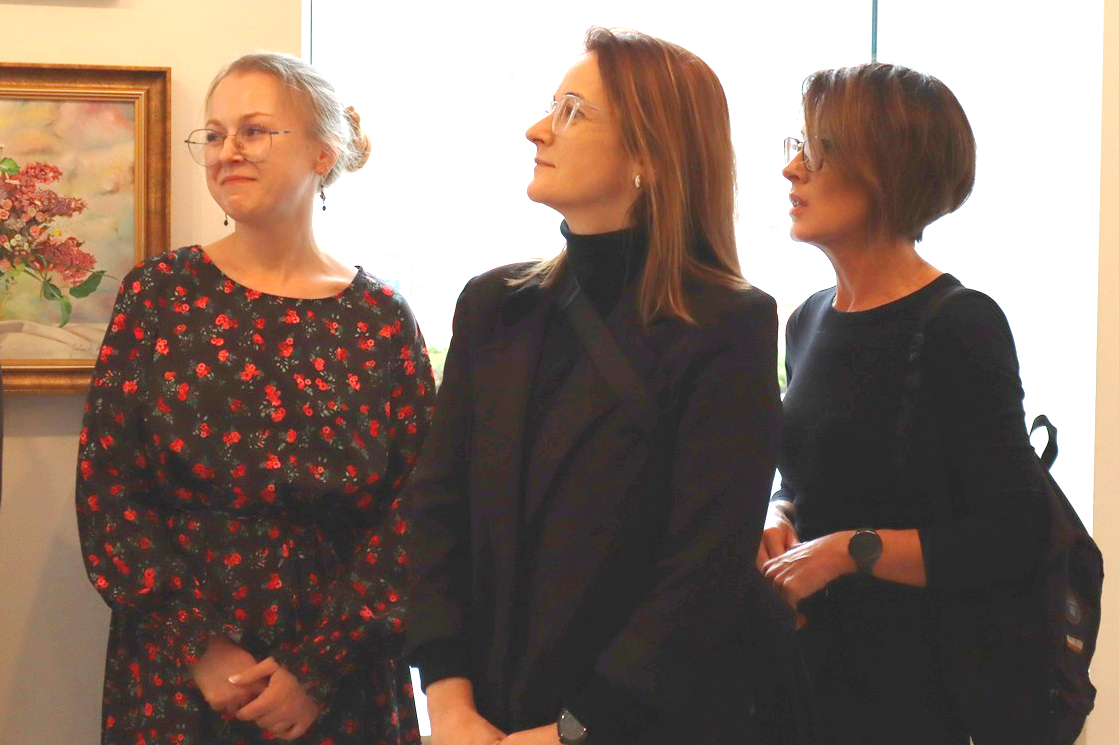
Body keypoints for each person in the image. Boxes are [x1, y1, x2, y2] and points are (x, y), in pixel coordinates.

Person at [406, 27, 796, 745]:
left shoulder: (728, 324)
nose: (536, 129)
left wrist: (574, 731)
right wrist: (449, 700)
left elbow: (703, 566)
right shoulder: (494, 305)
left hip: (642, 724)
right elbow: (437, 511)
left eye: (572, 112)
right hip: (483, 716)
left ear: (650, 155)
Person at [75, 52, 434, 745]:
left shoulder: (381, 319)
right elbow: (108, 490)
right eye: (214, 135)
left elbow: (417, 510)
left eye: (254, 131)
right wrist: (199, 645)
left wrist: (318, 666)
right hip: (179, 673)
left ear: (323, 152)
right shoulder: (159, 295)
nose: (227, 150)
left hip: (340, 676)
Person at [757, 62, 1050, 745]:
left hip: (911, 697)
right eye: (795, 147)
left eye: (814, 152)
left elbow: (1015, 532)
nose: (791, 170)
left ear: (881, 170)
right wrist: (779, 513)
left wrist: (847, 551)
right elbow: (808, 476)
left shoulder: (959, 324)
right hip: (806, 679)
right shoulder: (807, 320)